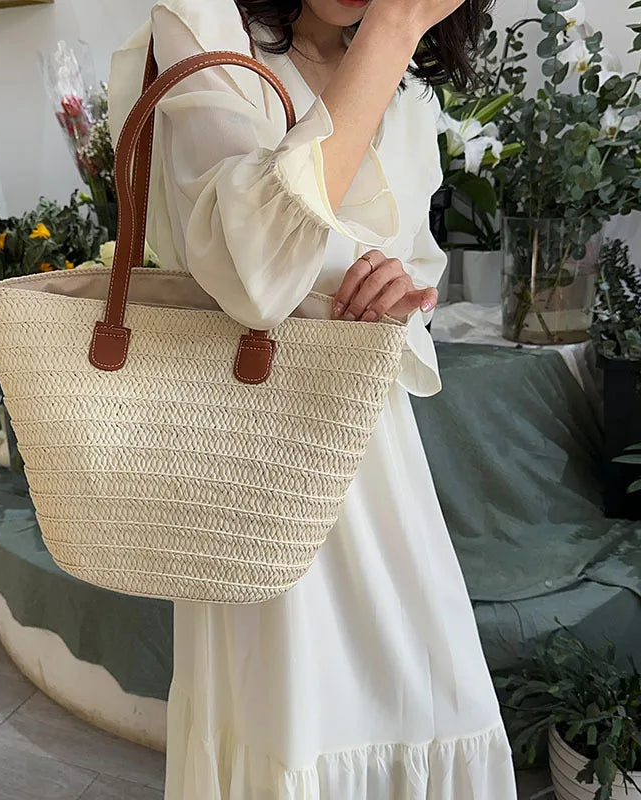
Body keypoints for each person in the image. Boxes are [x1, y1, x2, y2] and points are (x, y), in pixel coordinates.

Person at [108, 0, 518, 796]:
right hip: (256, 454)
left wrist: (402, 294)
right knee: (293, 722)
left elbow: (413, 264)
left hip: (375, 457)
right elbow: (254, 271)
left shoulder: (407, 86)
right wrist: (397, 28)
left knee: (426, 702)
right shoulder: (201, 22)